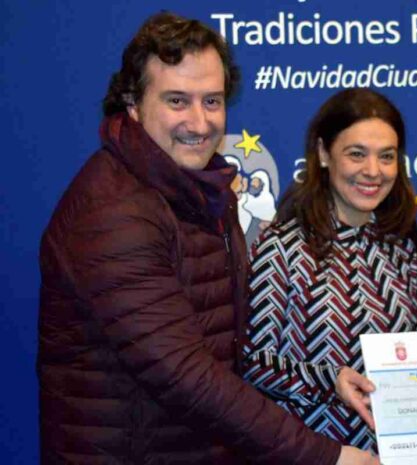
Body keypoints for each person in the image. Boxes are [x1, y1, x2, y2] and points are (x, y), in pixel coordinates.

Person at [37, 12, 377, 464]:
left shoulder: (202, 189)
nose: (199, 123)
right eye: (177, 101)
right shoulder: (114, 212)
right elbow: (185, 375)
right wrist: (326, 457)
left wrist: (323, 378)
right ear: (133, 104)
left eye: (212, 101)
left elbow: (230, 350)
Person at [244, 88, 417, 452]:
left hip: (390, 451)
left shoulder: (399, 245)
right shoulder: (282, 246)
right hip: (309, 452)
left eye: (386, 156)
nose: (373, 171)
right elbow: (250, 362)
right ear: (324, 154)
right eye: (357, 154)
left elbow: (407, 355)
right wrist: (329, 381)